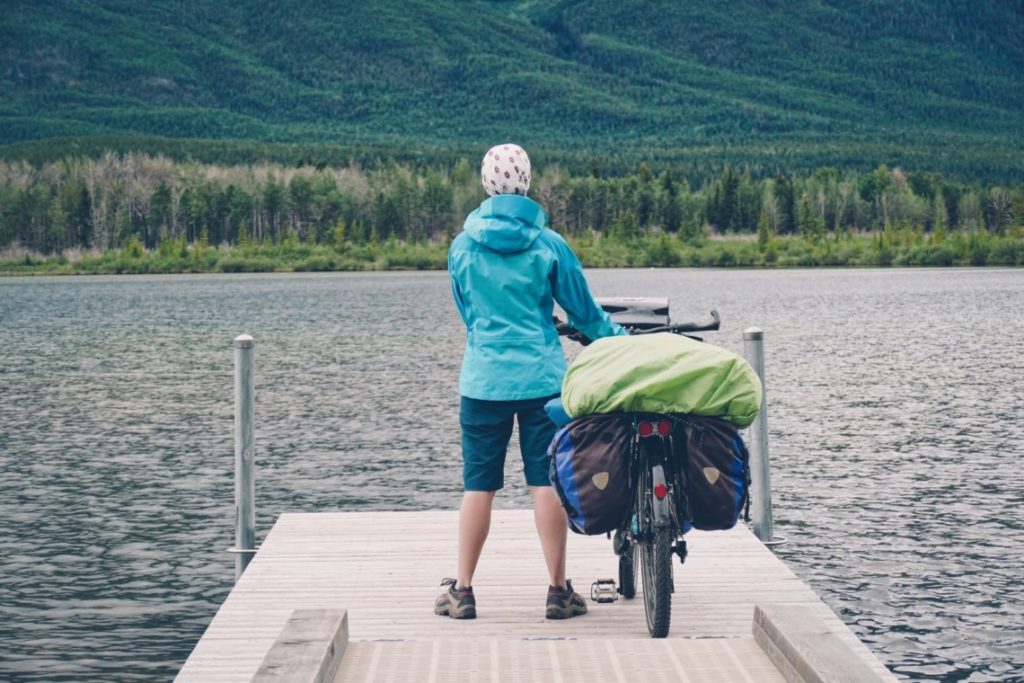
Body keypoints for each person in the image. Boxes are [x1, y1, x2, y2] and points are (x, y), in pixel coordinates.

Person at [435, 143, 627, 620]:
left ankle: (462, 592)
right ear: (525, 182)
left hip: (482, 381)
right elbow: (583, 313)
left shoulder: (462, 246)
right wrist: (620, 341)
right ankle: (558, 591)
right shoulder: (549, 244)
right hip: (542, 380)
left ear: (486, 184)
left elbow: (468, 314)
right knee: (546, 483)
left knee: (478, 486)